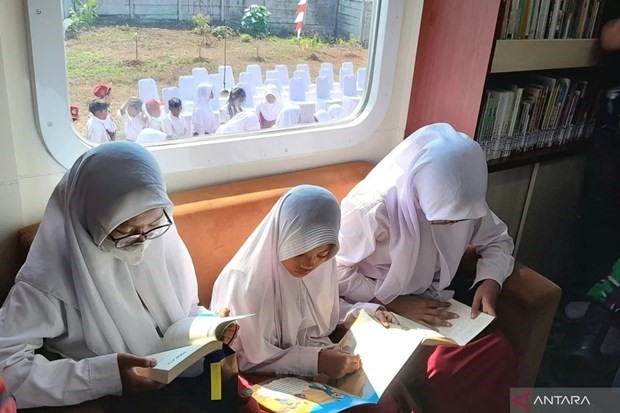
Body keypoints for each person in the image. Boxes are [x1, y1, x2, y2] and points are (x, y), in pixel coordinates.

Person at [0, 142, 255, 411]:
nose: (142, 241)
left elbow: (180, 312)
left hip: (191, 383)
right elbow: (6, 369)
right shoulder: (47, 282)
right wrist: (105, 376)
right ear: (90, 219)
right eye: (126, 229)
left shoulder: (163, 242)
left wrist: (208, 324)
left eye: (153, 224)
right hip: (118, 402)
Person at [337, 123, 517, 413]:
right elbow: (335, 272)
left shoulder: (464, 199)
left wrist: (490, 280)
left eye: (454, 219)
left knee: (495, 351)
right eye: (440, 217)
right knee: (435, 372)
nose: (449, 225)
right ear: (418, 189)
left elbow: (497, 239)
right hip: (372, 307)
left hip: (430, 305)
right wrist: (393, 301)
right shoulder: (373, 207)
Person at [211, 185, 419, 412]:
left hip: (319, 359)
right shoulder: (244, 281)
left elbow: (320, 309)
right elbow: (248, 358)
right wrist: (316, 360)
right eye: (299, 252)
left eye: (321, 254)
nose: (309, 264)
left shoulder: (321, 267)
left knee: (385, 398)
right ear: (282, 237)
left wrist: (366, 312)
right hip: (263, 375)